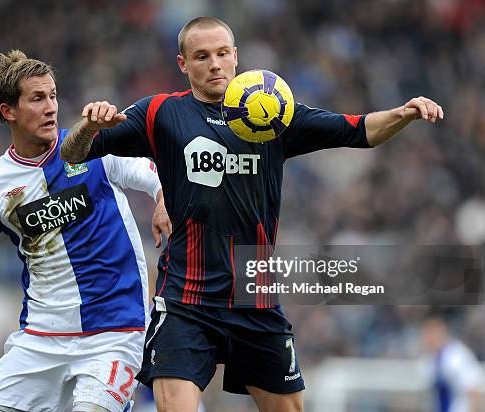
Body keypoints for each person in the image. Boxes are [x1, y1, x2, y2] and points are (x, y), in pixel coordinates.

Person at [59, 16, 444, 412]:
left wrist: (406, 112)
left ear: (236, 56)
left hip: (254, 295)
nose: (215, 64)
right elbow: (72, 155)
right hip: (185, 299)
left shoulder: (272, 113)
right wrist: (88, 126)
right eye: (202, 56)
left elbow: (358, 130)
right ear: (182, 64)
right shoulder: (160, 114)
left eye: (223, 54)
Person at [0, 50, 171, 412]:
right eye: (37, 98)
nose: (51, 107)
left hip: (114, 331)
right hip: (41, 339)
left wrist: (161, 200)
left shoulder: (90, 146)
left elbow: (148, 174)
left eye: (53, 96)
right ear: (8, 111)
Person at [421, 315, 483, 412]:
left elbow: (474, 391)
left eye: (431, 334)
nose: (428, 338)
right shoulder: (430, 360)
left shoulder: (457, 356)